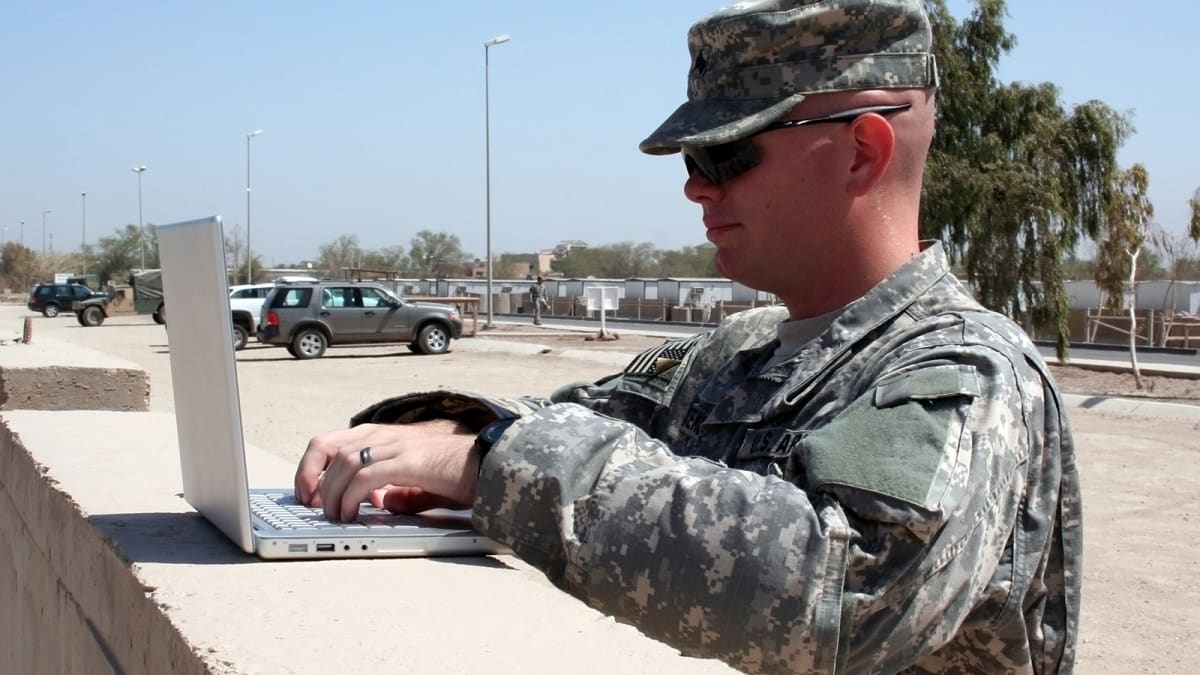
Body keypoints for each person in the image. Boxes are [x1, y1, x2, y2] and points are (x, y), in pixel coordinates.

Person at [295, 1, 1081, 672]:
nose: (695, 186)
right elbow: (578, 419)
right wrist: (437, 440)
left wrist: (493, 463)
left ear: (862, 151)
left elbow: (846, 588)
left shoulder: (966, 369)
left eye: (726, 154)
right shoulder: (736, 352)